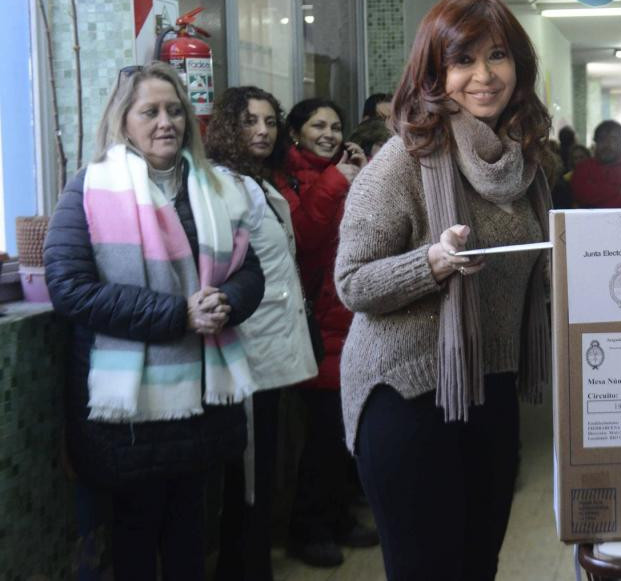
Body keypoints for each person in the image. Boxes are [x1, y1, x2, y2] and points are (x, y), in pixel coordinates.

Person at [334, 0, 553, 580]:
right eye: (463, 61)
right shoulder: (402, 161)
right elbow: (351, 282)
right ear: (435, 73)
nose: (483, 76)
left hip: (492, 386)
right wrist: (430, 263)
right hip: (407, 396)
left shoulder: (526, 163)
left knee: (478, 567)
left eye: (498, 56)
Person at [44, 63, 264, 580]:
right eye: (150, 112)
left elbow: (248, 269)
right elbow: (69, 288)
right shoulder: (89, 190)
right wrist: (177, 315)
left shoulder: (214, 188)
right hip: (131, 420)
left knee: (190, 530)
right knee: (135, 535)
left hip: (205, 405)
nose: (166, 122)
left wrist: (226, 302)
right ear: (124, 121)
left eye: (174, 111)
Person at [204, 86, 319, 581]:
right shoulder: (225, 185)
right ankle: (245, 568)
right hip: (246, 344)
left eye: (271, 123)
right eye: (250, 122)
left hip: (273, 340)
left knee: (264, 464)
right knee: (249, 473)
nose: (262, 132)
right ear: (228, 126)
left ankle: (251, 563)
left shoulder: (263, 182)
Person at [278, 97, 377, 567]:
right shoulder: (287, 177)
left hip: (351, 319)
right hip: (317, 326)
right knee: (320, 436)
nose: (330, 134)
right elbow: (305, 235)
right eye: (318, 125)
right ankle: (308, 527)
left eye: (336, 126)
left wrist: (357, 175)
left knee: (345, 431)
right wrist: (340, 180)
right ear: (295, 132)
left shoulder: (342, 171)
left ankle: (336, 516)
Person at [570, 120, 621, 208]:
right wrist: (618, 190)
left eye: (613, 139)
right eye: (602, 139)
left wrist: (596, 192)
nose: (607, 144)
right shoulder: (582, 169)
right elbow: (581, 196)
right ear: (596, 142)